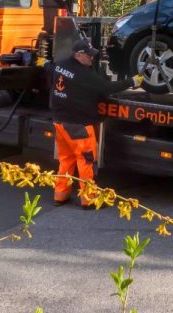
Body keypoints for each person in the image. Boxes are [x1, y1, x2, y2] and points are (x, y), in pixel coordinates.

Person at [48, 38, 143, 208]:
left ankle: (60, 195)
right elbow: (107, 88)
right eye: (89, 55)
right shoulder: (84, 75)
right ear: (78, 55)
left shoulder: (60, 65)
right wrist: (132, 82)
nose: (92, 58)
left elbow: (49, 68)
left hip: (60, 122)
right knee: (86, 161)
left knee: (66, 159)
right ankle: (89, 199)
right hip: (79, 126)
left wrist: (43, 63)